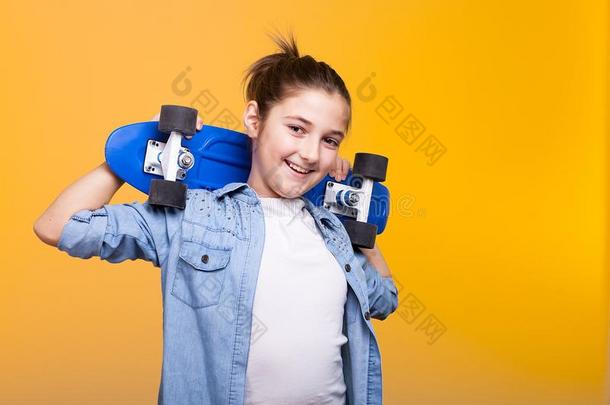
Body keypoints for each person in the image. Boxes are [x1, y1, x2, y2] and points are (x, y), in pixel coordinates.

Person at [33, 30, 399, 405]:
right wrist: (133, 152)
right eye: (297, 129)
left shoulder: (331, 236)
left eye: (329, 140)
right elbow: (57, 226)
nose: (310, 153)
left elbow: (385, 298)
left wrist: (355, 221)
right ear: (254, 120)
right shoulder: (194, 218)